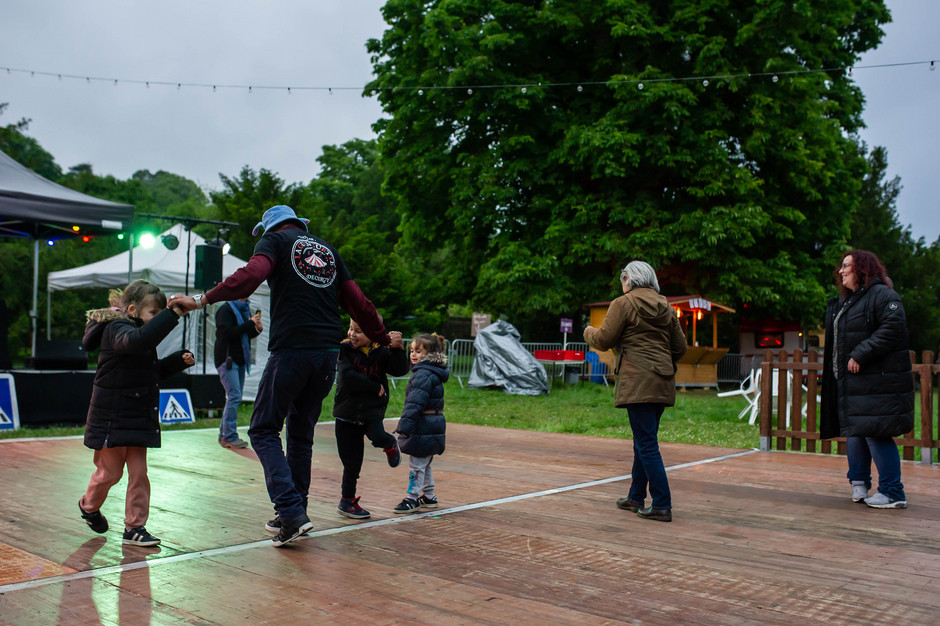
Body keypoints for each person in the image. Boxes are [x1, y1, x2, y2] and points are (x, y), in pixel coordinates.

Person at [168, 205, 390, 547]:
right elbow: (358, 301)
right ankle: (295, 511)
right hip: (326, 357)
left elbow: (250, 276)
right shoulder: (327, 250)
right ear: (301, 223)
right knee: (301, 436)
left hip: (292, 351)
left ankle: (289, 510)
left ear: (269, 228)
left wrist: (200, 300)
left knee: (262, 428)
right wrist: (380, 334)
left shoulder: (274, 241)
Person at [78, 280, 195, 547]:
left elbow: (148, 374)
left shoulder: (139, 333)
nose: (156, 318)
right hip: (113, 417)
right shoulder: (117, 328)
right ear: (132, 308)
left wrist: (177, 361)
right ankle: (88, 506)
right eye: (153, 313)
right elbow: (133, 343)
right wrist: (172, 314)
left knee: (139, 474)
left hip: (138, 416)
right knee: (110, 474)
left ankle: (135, 527)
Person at [583, 261, 687, 522]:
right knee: (644, 439)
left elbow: (604, 339)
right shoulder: (666, 306)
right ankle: (635, 497)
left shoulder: (623, 303)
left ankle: (662, 504)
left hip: (638, 381)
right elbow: (681, 348)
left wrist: (588, 331)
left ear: (628, 278)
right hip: (662, 381)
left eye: (623, 281)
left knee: (646, 443)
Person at [821, 249, 914, 509]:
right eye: (841, 266)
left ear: (863, 269)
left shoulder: (883, 295)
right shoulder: (849, 301)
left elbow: (894, 327)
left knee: (875, 433)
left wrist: (860, 354)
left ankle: (893, 492)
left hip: (878, 383)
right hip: (856, 383)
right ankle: (859, 483)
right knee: (856, 430)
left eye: (847, 266)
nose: (841, 271)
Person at [332, 318, 408, 519]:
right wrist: (374, 388)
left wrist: (397, 349)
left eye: (358, 331)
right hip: (346, 413)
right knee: (351, 462)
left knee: (377, 436)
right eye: (350, 329)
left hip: (371, 411)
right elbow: (347, 376)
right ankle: (346, 501)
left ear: (374, 333)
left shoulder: (381, 351)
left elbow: (399, 370)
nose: (352, 334)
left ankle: (390, 443)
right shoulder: (345, 349)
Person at [393, 333, 448, 514]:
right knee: (424, 462)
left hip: (423, 424)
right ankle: (430, 496)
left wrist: (405, 427)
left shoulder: (422, 375)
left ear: (430, 355)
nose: (413, 355)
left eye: (418, 351)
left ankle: (412, 497)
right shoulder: (432, 372)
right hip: (432, 425)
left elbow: (415, 404)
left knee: (417, 464)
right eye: (412, 351)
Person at [214, 297, 262, 449]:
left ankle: (225, 435)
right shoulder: (225, 310)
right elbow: (226, 334)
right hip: (227, 359)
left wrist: (256, 329)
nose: (247, 295)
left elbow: (244, 336)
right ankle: (229, 436)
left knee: (235, 396)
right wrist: (249, 323)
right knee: (234, 396)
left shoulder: (243, 310)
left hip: (239, 360)